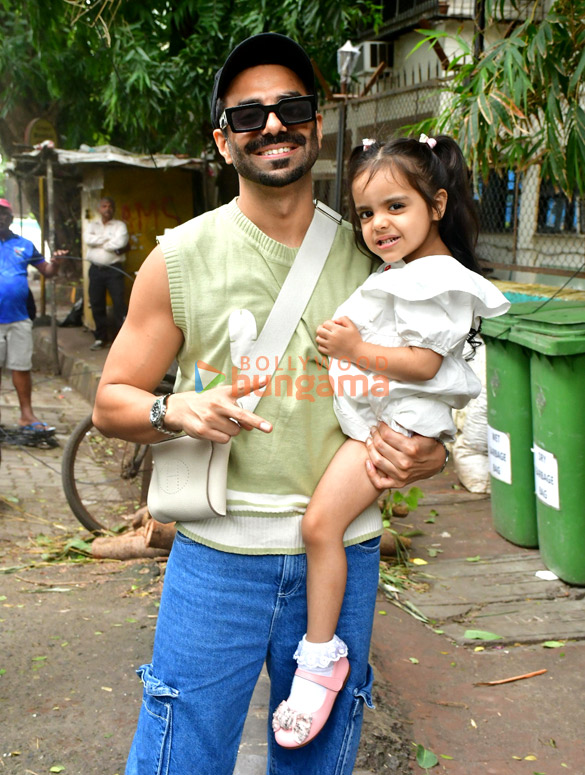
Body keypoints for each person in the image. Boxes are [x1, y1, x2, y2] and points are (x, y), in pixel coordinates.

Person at [92, 33, 447, 775]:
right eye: (248, 116)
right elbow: (111, 402)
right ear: (224, 141)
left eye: (290, 107)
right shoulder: (179, 256)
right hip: (216, 559)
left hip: (342, 554)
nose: (273, 125)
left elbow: (429, 395)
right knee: (178, 753)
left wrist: (428, 453)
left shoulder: (380, 257)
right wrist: (175, 411)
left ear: (316, 124)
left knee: (320, 755)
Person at [272, 135, 511, 748]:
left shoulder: (436, 279)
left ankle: (320, 661)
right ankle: (322, 655)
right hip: (390, 418)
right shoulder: (405, 272)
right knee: (322, 526)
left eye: (394, 207)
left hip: (399, 426)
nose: (378, 224)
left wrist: (353, 350)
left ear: (436, 204)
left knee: (320, 526)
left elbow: (426, 364)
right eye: (366, 213)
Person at [0, 198, 66, 430]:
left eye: (5, 213)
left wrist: (55, 263)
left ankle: (26, 415)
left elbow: (46, 270)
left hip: (19, 316)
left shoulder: (25, 244)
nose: (1, 217)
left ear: (10, 218)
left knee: (21, 367)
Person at [85, 196, 129, 350]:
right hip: (95, 270)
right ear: (99, 209)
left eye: (110, 206)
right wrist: (107, 240)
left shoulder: (120, 226)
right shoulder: (92, 225)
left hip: (114, 270)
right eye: (104, 206)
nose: (107, 209)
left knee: (119, 304)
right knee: (96, 303)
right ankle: (101, 338)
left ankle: (120, 340)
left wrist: (99, 242)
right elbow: (87, 239)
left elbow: (120, 242)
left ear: (114, 209)